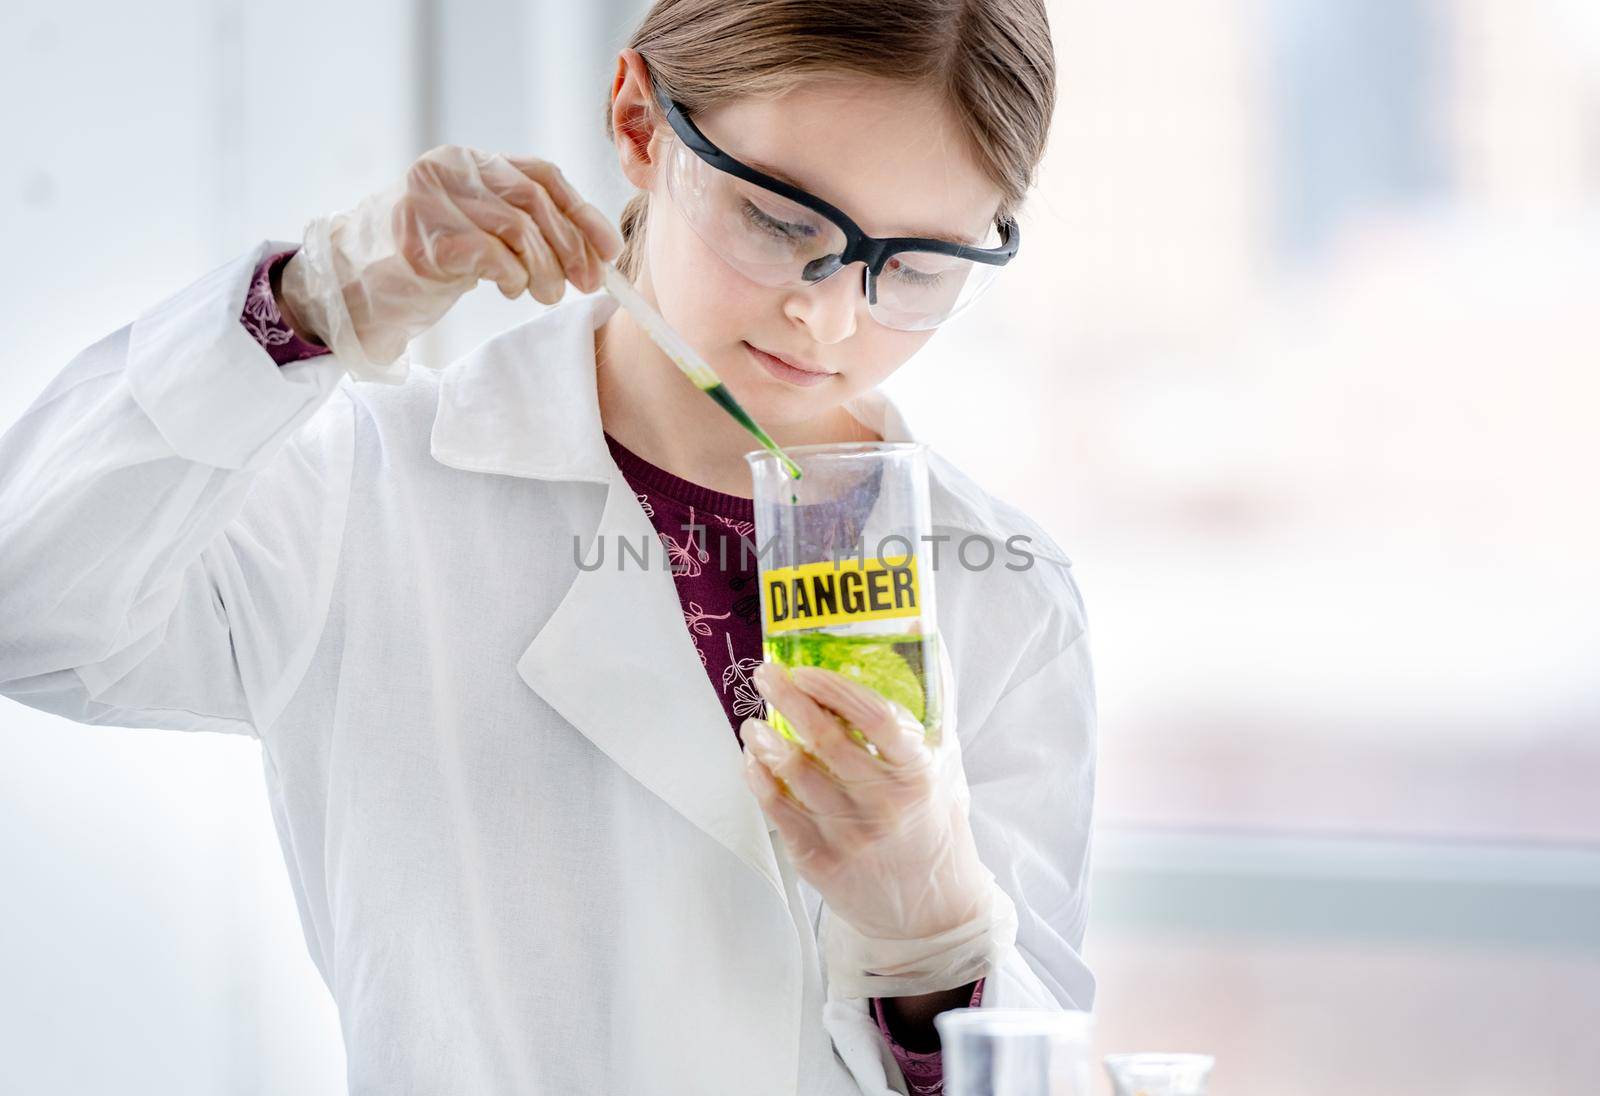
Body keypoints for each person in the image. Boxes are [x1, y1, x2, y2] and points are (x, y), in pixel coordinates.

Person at [0, 1, 1096, 1092]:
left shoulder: (1004, 592)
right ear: (639, 123)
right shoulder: (365, 498)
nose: (831, 318)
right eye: (778, 222)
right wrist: (305, 303)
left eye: (912, 267)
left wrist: (936, 939)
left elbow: (1039, 1068)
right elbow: (28, 607)